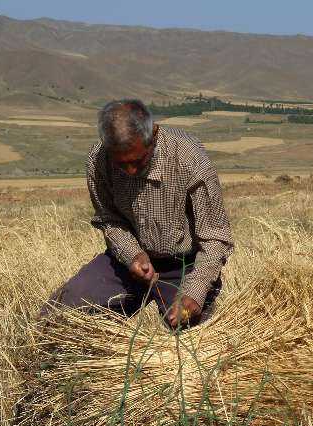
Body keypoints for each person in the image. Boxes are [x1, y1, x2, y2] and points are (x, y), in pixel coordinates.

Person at [45, 99, 233, 329]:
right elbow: (108, 219)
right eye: (121, 164)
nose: (130, 171)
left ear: (153, 134)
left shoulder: (189, 158)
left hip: (186, 266)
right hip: (127, 264)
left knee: (191, 344)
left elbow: (215, 236)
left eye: (137, 161)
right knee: (61, 312)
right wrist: (131, 254)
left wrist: (196, 289)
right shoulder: (99, 160)